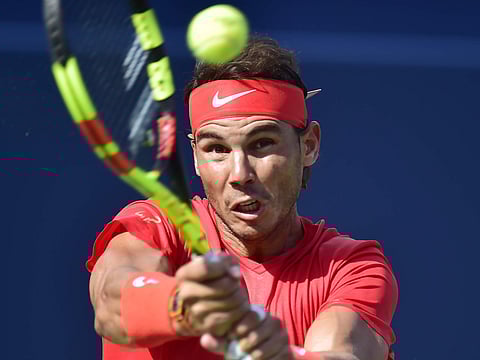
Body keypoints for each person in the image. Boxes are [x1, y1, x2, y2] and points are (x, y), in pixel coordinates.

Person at [87, 36, 398, 360]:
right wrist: (184, 306)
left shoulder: (351, 266)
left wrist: (283, 358)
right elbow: (112, 303)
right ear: (195, 155)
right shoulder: (158, 225)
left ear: (308, 146)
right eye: (217, 149)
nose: (239, 174)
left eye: (262, 143)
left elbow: (344, 351)